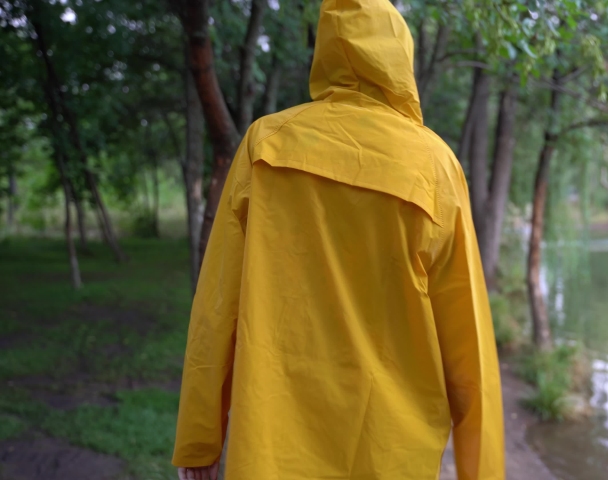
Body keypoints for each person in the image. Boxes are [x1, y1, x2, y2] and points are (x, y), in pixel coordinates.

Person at [171, 0, 504, 478]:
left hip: (273, 451)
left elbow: (216, 307)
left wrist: (199, 442)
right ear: (400, 57)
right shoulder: (435, 166)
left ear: (324, 51)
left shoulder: (266, 144)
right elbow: (469, 348)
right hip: (390, 455)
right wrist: (483, 473)